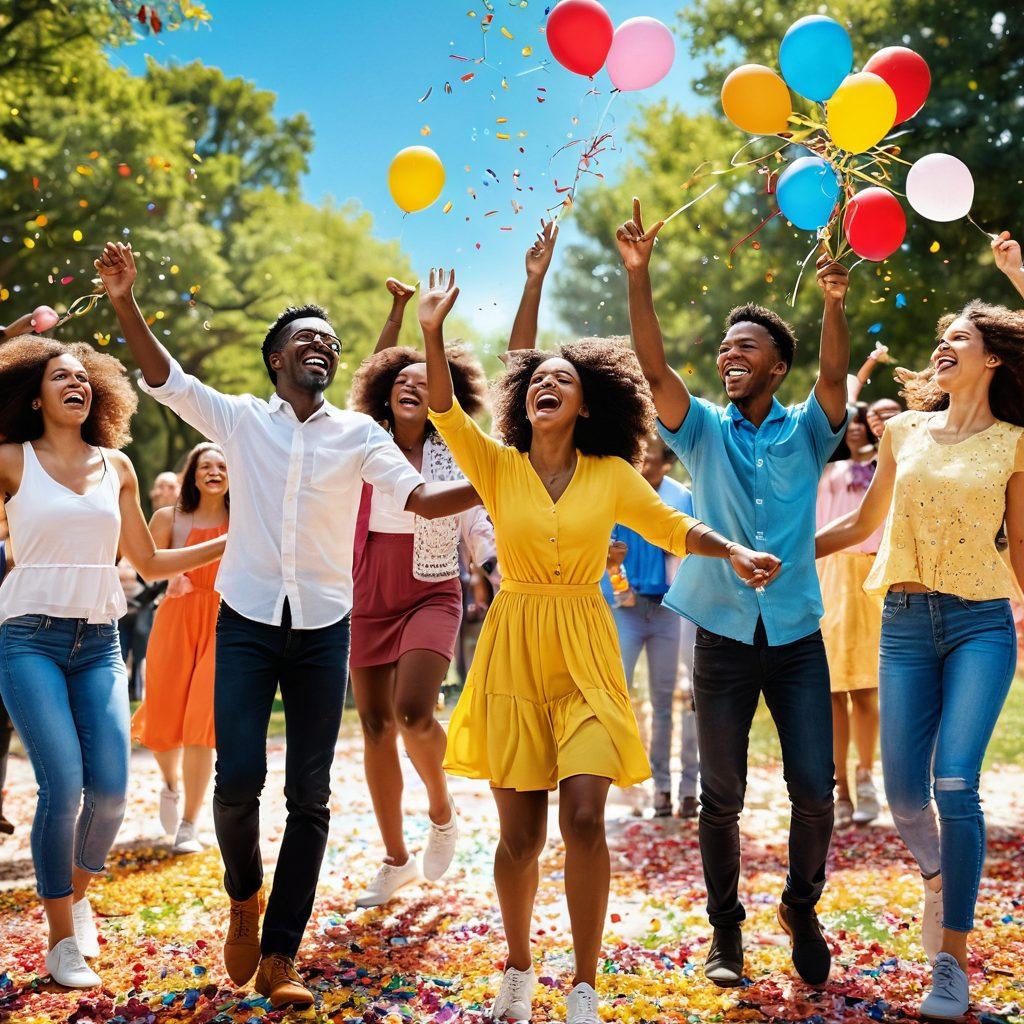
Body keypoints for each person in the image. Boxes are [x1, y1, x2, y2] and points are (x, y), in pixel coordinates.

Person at [96, 240, 481, 1010]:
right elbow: (167, 379)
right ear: (276, 359)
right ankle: (245, 894)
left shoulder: (360, 437)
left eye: (332, 344)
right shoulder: (240, 422)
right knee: (239, 784)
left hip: (322, 630)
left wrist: (511, 477)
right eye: (308, 338)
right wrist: (123, 302)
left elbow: (421, 500)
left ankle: (279, 956)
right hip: (244, 620)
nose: (324, 347)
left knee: (310, 797)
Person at [419, 266, 780, 1024]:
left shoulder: (614, 473)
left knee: (583, 817)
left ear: (586, 407)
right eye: (537, 379)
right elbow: (446, 415)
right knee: (519, 838)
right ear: (526, 400)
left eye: (564, 380)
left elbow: (673, 527)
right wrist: (430, 331)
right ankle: (518, 967)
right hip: (513, 649)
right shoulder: (497, 463)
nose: (547, 384)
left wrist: (734, 551)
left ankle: (584, 982)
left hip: (586, 646)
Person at [618, 198, 851, 988]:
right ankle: (727, 935)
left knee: (814, 791)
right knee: (721, 798)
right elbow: (654, 372)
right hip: (717, 634)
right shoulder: (702, 430)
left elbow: (831, 377)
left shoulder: (809, 431)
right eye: (724, 349)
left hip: (795, 640)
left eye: (745, 347)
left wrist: (833, 304)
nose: (729, 357)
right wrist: (638, 277)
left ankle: (802, 905)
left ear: (775, 366)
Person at [816, 229, 1024, 1019]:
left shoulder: (1013, 444)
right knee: (905, 796)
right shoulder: (902, 431)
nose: (943, 346)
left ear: (993, 358)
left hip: (979, 625)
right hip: (901, 621)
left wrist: (1017, 275)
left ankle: (953, 961)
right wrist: (789, 550)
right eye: (940, 338)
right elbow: (862, 523)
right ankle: (941, 875)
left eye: (959, 338)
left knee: (955, 784)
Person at [0, 335, 226, 989]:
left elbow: (149, 563)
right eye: (60, 376)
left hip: (99, 643)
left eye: (83, 377)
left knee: (112, 792)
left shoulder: (117, 467)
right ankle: (62, 940)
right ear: (34, 397)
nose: (76, 384)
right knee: (63, 786)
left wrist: (232, 540)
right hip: (28, 640)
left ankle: (77, 894)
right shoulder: (12, 461)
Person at [347, 327, 495, 908]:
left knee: (413, 712)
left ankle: (441, 809)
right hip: (367, 588)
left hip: (432, 587)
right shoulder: (362, 442)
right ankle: (395, 859)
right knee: (376, 728)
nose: (412, 386)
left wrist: (497, 567)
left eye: (425, 380)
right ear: (385, 393)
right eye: (401, 380)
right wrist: (397, 315)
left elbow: (478, 519)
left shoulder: (456, 447)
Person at [131, 442, 229, 854]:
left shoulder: (244, 517)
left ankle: (190, 822)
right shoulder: (168, 516)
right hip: (174, 619)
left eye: (222, 465)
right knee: (165, 720)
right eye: (205, 465)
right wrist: (174, 574)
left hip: (225, 622)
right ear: (191, 475)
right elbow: (146, 564)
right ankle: (170, 785)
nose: (214, 471)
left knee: (201, 726)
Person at [603, 434, 700, 819]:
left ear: (667, 463)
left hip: (670, 611)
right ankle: (649, 784)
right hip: (626, 608)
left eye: (652, 459)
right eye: (638, 458)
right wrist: (619, 585)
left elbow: (693, 552)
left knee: (674, 701)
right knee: (617, 693)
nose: (644, 466)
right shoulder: (620, 492)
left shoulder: (682, 498)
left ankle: (684, 789)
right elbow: (606, 550)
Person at [815, 403, 883, 829]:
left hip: (869, 575)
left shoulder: (880, 470)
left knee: (867, 688)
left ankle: (866, 774)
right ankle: (839, 784)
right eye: (849, 424)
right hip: (824, 573)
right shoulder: (818, 469)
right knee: (832, 691)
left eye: (861, 423)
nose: (854, 430)